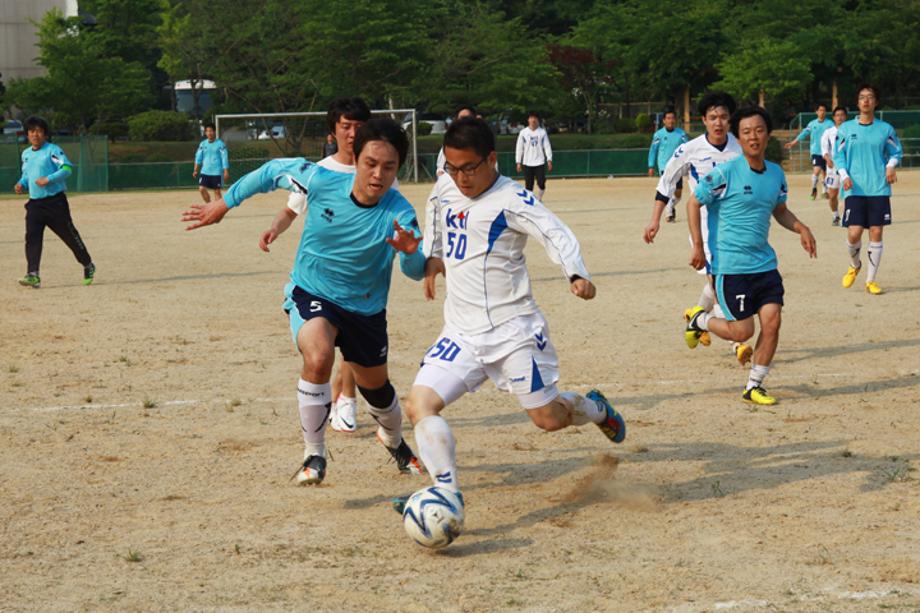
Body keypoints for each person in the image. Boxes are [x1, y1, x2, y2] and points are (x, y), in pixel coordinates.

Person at [394, 117, 626, 514]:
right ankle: (447, 496)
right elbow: (434, 233)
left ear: (491, 159)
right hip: (462, 332)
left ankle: (596, 409)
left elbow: (553, 231)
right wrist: (425, 259)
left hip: (513, 332)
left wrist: (576, 273)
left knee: (549, 419)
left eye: (469, 167)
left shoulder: (511, 198)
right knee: (419, 405)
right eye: (452, 167)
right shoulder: (444, 188)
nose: (460, 177)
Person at [182, 118, 426, 485]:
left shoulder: (400, 212)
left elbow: (416, 269)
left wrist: (409, 253)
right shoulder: (319, 179)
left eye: (388, 167)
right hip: (313, 292)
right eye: (370, 164)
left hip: (365, 310)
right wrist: (225, 204)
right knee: (318, 355)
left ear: (398, 168)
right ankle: (314, 454)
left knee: (378, 391)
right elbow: (269, 171)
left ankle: (393, 440)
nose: (378, 175)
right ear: (354, 158)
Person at [685, 107, 817, 406]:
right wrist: (697, 246)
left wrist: (801, 228)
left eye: (758, 130)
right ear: (739, 138)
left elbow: (779, 211)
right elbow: (693, 203)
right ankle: (700, 319)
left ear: (767, 134)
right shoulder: (725, 174)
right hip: (731, 267)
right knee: (742, 331)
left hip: (764, 264)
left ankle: (754, 385)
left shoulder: (775, 174)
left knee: (772, 322)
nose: (753, 137)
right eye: (746, 132)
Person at [260, 97, 373, 434]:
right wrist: (273, 229)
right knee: (322, 346)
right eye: (346, 127)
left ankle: (347, 400)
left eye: (358, 126)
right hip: (321, 279)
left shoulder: (378, 168)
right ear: (334, 131)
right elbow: (291, 210)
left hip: (362, 275)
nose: (353, 133)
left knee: (355, 345)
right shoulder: (318, 172)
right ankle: (339, 399)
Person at [643, 92, 752, 365]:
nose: (719, 122)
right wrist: (655, 219)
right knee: (718, 280)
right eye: (713, 117)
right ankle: (737, 342)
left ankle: (696, 316)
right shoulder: (689, 149)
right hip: (703, 225)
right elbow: (666, 183)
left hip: (736, 226)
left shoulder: (739, 148)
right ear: (704, 120)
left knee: (727, 276)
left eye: (724, 117)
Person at [834, 85, 902, 295]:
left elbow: (896, 152)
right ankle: (855, 265)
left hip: (879, 188)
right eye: (862, 97)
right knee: (854, 233)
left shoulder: (885, 129)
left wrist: (890, 165)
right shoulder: (845, 129)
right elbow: (838, 156)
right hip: (854, 188)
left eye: (870, 97)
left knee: (876, 231)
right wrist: (844, 176)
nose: (866, 101)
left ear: (875, 102)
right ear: (857, 102)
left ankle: (871, 280)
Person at [14, 116, 95, 289]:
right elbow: (27, 174)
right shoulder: (26, 154)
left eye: (39, 131)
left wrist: (49, 179)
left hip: (55, 203)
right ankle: (33, 274)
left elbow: (66, 169)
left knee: (69, 237)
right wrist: (22, 183)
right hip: (35, 204)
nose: (35, 134)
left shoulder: (52, 151)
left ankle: (88, 264)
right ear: (27, 134)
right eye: (31, 131)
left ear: (44, 134)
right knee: (32, 238)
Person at [784, 103, 832, 200]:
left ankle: (824, 190)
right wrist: (793, 143)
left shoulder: (830, 124)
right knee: (816, 171)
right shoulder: (812, 124)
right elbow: (803, 134)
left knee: (825, 173)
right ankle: (814, 189)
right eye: (820, 110)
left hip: (827, 152)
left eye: (824, 110)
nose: (822, 112)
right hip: (816, 152)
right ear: (816, 112)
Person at [647, 109, 688, 222]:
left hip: (678, 166)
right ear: (664, 120)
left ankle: (671, 206)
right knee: (668, 188)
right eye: (668, 118)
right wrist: (651, 165)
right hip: (664, 167)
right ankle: (669, 214)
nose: (670, 121)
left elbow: (688, 149)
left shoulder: (682, 134)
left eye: (672, 118)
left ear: (675, 120)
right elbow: (653, 150)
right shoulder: (658, 135)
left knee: (678, 194)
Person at [515, 111, 553, 200]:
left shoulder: (542, 132)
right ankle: (531, 202)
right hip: (527, 162)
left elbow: (547, 146)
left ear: (538, 120)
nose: (533, 120)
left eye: (535, 118)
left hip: (539, 161)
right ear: (528, 120)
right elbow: (519, 148)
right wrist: (518, 162)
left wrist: (549, 159)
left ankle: (539, 198)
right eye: (531, 118)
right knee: (529, 185)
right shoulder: (523, 133)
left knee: (541, 182)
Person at [820, 106, 848, 226]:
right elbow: (824, 149)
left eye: (842, 115)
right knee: (832, 195)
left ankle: (847, 217)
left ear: (846, 117)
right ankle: (835, 215)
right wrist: (827, 159)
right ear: (834, 118)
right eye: (837, 115)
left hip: (847, 166)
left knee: (848, 194)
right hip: (833, 167)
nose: (840, 117)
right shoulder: (828, 132)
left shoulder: (850, 130)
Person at [192, 122, 230, 203]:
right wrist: (195, 170)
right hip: (205, 171)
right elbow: (198, 157)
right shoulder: (202, 144)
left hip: (217, 172)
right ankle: (210, 206)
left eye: (211, 131)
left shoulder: (220, 144)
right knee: (201, 189)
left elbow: (224, 158)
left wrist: (226, 171)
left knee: (217, 192)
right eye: (207, 131)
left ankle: (218, 212)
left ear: (215, 132)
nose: (209, 133)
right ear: (205, 132)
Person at [436, 105, 478, 177]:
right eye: (461, 118)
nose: (464, 121)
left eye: (467, 118)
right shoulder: (449, 143)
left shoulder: (483, 142)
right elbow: (440, 169)